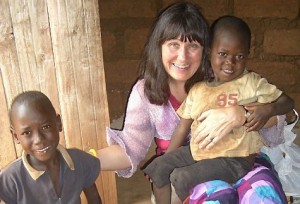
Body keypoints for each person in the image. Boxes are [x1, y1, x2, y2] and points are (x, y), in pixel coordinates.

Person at [97, 2, 294, 203]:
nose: (182, 57)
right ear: (159, 47)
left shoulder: (225, 77)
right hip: (188, 163)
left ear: (205, 50)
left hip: (240, 157)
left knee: (262, 195)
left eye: (192, 46)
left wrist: (241, 115)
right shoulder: (149, 91)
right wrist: (87, 161)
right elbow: (130, 147)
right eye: (174, 44)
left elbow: (282, 115)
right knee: (210, 194)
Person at [143, 15, 287, 203]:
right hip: (200, 152)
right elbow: (182, 127)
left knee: (182, 176)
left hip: (236, 159)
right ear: (210, 51)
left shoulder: (251, 83)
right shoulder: (198, 90)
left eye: (239, 56)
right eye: (223, 54)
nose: (230, 62)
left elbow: (287, 102)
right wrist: (167, 159)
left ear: (247, 55)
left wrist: (269, 109)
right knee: (158, 168)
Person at [0, 91, 102, 204]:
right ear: (15, 136)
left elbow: (94, 197)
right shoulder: (10, 179)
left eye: (45, 127)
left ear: (58, 123)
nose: (38, 140)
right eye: (27, 132)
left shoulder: (80, 160)